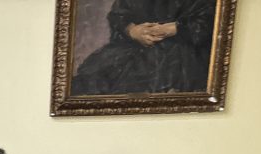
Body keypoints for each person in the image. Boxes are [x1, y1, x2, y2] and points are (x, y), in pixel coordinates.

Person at [72, 0, 217, 96]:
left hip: (185, 54)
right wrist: (132, 30)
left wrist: (175, 28)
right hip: (136, 50)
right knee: (94, 82)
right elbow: (118, 16)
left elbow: (212, 20)